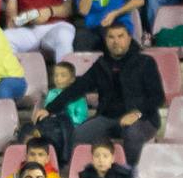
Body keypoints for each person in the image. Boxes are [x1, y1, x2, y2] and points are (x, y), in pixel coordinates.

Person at [42, 20, 166, 166]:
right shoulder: (101, 65)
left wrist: (137, 114)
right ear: (105, 41)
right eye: (111, 37)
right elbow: (77, 88)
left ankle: (130, 177)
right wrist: (49, 109)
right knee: (80, 134)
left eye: (120, 36)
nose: (116, 41)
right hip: (108, 118)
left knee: (132, 133)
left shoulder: (145, 62)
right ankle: (82, 174)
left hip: (143, 119)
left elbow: (158, 97)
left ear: (129, 38)